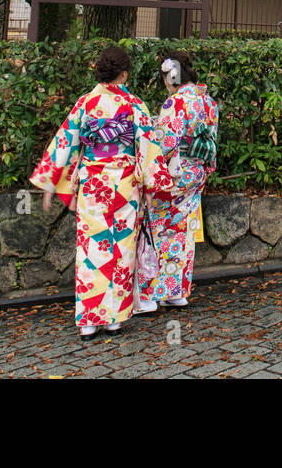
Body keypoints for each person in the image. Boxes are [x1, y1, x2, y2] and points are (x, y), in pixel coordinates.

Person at [29, 45, 154, 340]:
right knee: (122, 249)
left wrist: (52, 181)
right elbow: (148, 149)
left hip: (93, 183)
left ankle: (88, 320)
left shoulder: (85, 103)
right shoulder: (135, 105)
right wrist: (150, 186)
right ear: (124, 73)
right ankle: (113, 319)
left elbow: (66, 142)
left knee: (91, 249)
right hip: (125, 185)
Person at [136, 50, 219, 312]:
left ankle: (149, 296)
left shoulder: (176, 103)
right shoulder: (207, 101)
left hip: (174, 173)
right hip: (196, 172)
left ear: (170, 78)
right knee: (183, 232)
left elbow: (165, 143)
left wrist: (148, 171)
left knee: (158, 230)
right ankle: (177, 291)